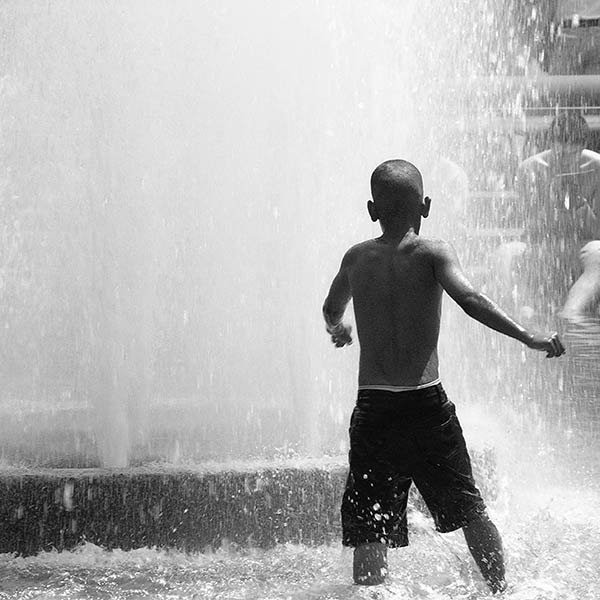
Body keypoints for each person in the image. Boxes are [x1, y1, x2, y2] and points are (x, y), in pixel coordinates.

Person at [322, 159, 565, 593]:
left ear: (372, 210)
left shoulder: (356, 257)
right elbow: (470, 299)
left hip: (375, 408)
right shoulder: (433, 253)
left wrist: (339, 329)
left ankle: (374, 594)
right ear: (426, 206)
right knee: (470, 510)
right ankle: (501, 590)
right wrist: (528, 336)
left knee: (369, 525)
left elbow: (330, 307)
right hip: (425, 406)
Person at [499, 111, 600, 323]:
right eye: (559, 153)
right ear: (551, 144)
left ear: (582, 148)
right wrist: (551, 204)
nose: (565, 159)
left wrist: (580, 204)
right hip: (542, 243)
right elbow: (530, 226)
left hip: (583, 243)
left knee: (598, 253)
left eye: (572, 155)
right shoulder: (531, 169)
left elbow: (596, 230)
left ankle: (571, 314)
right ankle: (517, 314)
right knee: (504, 253)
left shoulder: (596, 167)